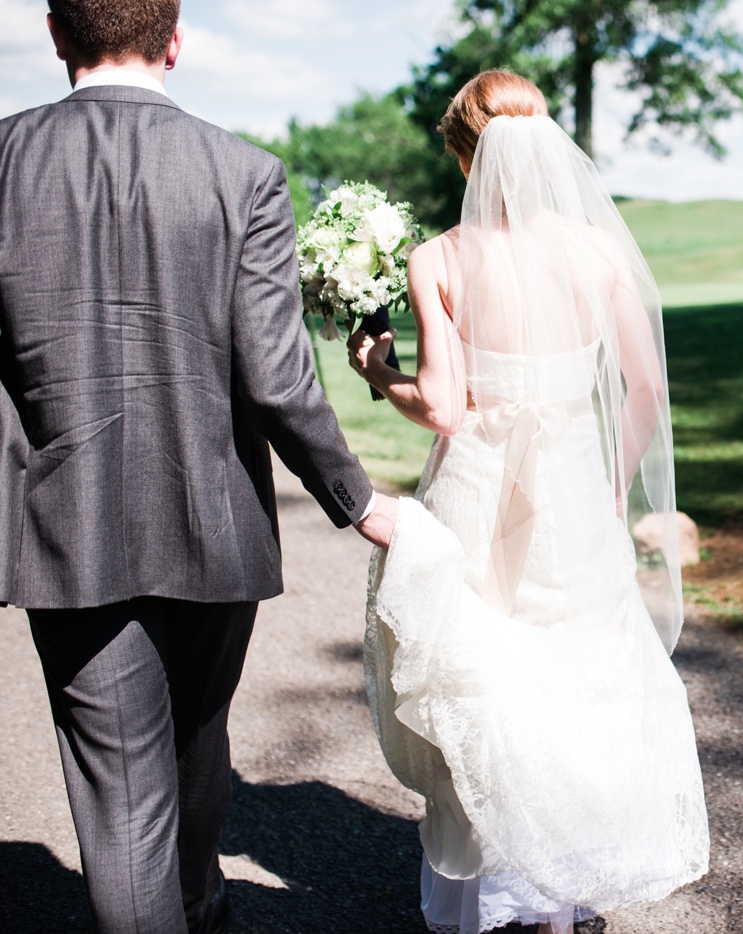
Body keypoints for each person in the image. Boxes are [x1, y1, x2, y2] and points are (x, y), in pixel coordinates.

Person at [0, 3, 398, 932]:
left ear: (57, 35)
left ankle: (185, 904)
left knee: (124, 780)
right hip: (214, 517)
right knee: (193, 736)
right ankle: (192, 902)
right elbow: (277, 377)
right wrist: (359, 500)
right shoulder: (244, 172)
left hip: (66, 523)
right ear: (174, 41)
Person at [349, 71, 709, 934]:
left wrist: (377, 373)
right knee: (581, 674)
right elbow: (645, 387)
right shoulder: (599, 251)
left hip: (478, 485)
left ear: (466, 155)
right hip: (576, 484)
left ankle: (506, 891)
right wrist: (613, 483)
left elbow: (441, 406)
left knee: (488, 679)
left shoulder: (436, 258)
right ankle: (562, 893)